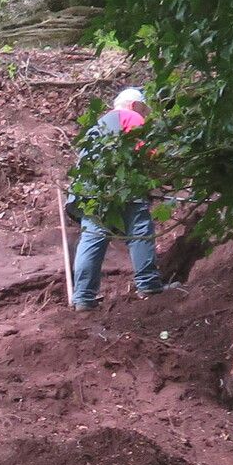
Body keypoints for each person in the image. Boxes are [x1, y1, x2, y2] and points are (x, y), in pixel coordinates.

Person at [68, 86, 166, 311]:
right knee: (139, 231)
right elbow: (146, 153)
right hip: (121, 187)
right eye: (144, 111)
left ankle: (83, 298)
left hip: (89, 191)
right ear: (134, 105)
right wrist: (160, 176)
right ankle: (149, 285)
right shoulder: (130, 116)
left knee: (92, 238)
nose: (144, 117)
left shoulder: (97, 126)